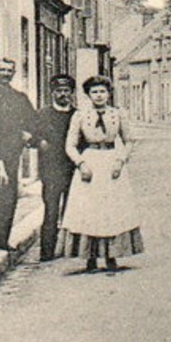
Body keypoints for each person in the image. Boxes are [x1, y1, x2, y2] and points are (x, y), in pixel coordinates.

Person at [60, 76, 144, 273]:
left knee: (112, 208)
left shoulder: (118, 114)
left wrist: (120, 161)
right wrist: (81, 164)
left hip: (111, 161)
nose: (99, 96)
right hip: (90, 162)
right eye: (95, 92)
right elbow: (70, 145)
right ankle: (90, 257)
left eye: (102, 92)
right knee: (90, 209)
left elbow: (130, 140)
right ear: (89, 95)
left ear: (109, 94)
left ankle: (111, 256)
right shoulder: (80, 116)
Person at [0, 56, 36, 271]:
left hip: (12, 152)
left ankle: (2, 238)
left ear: (13, 73)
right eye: (2, 69)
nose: (5, 73)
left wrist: (27, 134)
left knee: (9, 195)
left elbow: (32, 120)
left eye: (9, 70)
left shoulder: (19, 97)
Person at [33, 74, 79, 262]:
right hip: (51, 170)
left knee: (73, 209)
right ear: (52, 93)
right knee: (51, 210)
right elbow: (32, 136)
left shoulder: (77, 115)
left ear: (71, 93)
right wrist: (40, 142)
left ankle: (72, 249)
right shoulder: (42, 114)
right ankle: (47, 251)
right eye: (58, 91)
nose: (62, 95)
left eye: (66, 91)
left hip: (72, 168)